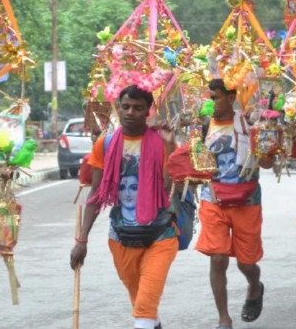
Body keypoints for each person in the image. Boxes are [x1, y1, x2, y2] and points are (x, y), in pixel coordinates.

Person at [70, 85, 177, 329]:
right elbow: (96, 195)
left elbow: (169, 189)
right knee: (143, 305)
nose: (130, 112)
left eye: (138, 108)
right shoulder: (104, 144)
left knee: (143, 311)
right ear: (118, 108)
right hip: (121, 237)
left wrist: (170, 148)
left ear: (148, 111)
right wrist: (81, 240)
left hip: (160, 234)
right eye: (126, 106)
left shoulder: (162, 142)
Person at [195, 79, 274, 329]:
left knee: (246, 263)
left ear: (230, 98)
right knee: (218, 258)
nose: (211, 102)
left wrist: (266, 136)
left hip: (246, 200)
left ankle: (254, 285)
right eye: (209, 97)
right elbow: (194, 163)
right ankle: (224, 318)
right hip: (213, 200)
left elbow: (268, 164)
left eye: (216, 97)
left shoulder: (249, 122)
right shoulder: (202, 126)